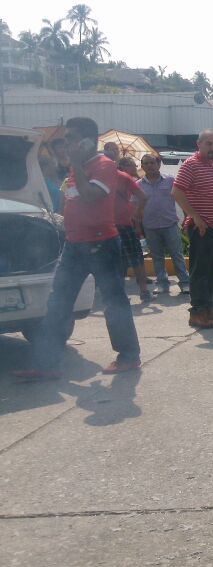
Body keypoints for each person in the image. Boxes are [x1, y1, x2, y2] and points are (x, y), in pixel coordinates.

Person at [14, 117, 142, 379]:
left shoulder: (104, 165)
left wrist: (75, 165)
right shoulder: (78, 168)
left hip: (101, 244)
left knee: (114, 302)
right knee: (58, 302)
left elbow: (90, 195)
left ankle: (129, 356)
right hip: (75, 245)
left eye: (71, 138)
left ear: (87, 141)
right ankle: (46, 364)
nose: (66, 144)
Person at [171, 129, 213, 329]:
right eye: (209, 144)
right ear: (199, 144)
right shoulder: (191, 165)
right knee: (200, 271)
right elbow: (176, 192)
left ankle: (210, 308)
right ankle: (197, 312)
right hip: (203, 227)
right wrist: (195, 216)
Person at [138, 154, 189, 296]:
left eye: (152, 163)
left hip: (170, 224)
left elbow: (181, 198)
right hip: (150, 226)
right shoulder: (138, 185)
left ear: (158, 164)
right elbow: (135, 206)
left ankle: (185, 283)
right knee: (157, 257)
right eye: (146, 163)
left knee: (177, 255)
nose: (149, 166)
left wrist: (187, 215)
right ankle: (162, 284)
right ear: (142, 167)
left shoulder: (170, 180)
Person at [114, 157, 151, 301]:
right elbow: (143, 197)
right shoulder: (123, 177)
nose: (134, 167)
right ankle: (141, 291)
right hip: (119, 224)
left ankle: (139, 291)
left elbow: (142, 198)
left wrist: (137, 213)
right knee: (132, 259)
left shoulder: (122, 178)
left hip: (122, 224)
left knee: (131, 258)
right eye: (131, 165)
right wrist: (138, 212)